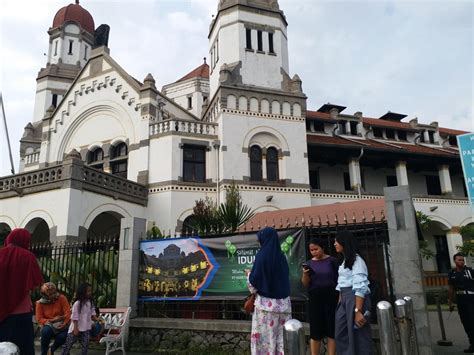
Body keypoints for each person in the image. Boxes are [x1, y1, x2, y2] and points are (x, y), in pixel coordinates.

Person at [247, 227, 292, 355]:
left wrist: (248, 274)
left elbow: (253, 285)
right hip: (284, 305)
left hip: (266, 308)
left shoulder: (261, 256)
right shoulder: (282, 257)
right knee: (282, 341)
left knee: (265, 341)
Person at [0, 228, 43, 355]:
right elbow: (34, 284)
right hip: (21, 313)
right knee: (24, 349)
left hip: (1, 313)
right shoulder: (28, 257)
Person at [334, 230, 373, 355]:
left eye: (337, 241)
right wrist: (340, 304)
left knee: (358, 335)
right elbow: (341, 285)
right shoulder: (344, 261)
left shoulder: (357, 261)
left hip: (355, 300)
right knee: (341, 334)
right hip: (345, 300)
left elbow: (360, 286)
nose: (334, 244)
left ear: (344, 243)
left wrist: (358, 311)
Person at [301, 238, 339, 355]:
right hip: (315, 298)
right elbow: (305, 283)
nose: (314, 252)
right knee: (315, 330)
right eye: (311, 250)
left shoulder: (332, 261)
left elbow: (339, 279)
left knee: (331, 329)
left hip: (331, 297)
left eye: (316, 249)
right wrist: (305, 273)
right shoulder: (309, 263)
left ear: (322, 248)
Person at [448, 253, 474, 353]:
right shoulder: (451, 273)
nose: (462, 262)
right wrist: (450, 302)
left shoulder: (470, 271)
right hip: (460, 300)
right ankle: (472, 343)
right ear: (454, 261)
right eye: (459, 260)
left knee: (472, 321)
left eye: (462, 260)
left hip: (471, 298)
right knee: (466, 322)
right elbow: (451, 289)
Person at [36, 282, 71, 355]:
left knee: (64, 336)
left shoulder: (62, 298)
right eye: (50, 294)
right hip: (49, 324)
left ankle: (52, 349)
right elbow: (39, 319)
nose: (53, 295)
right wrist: (53, 320)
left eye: (54, 292)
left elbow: (67, 313)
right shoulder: (39, 303)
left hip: (62, 323)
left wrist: (64, 323)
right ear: (44, 294)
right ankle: (44, 352)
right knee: (46, 331)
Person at [61, 283, 97, 355]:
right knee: (68, 345)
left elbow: (93, 314)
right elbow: (75, 317)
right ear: (82, 292)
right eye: (88, 291)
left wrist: (98, 320)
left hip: (86, 328)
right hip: (76, 328)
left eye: (90, 291)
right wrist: (75, 328)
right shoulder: (77, 303)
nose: (90, 293)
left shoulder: (90, 302)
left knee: (85, 346)